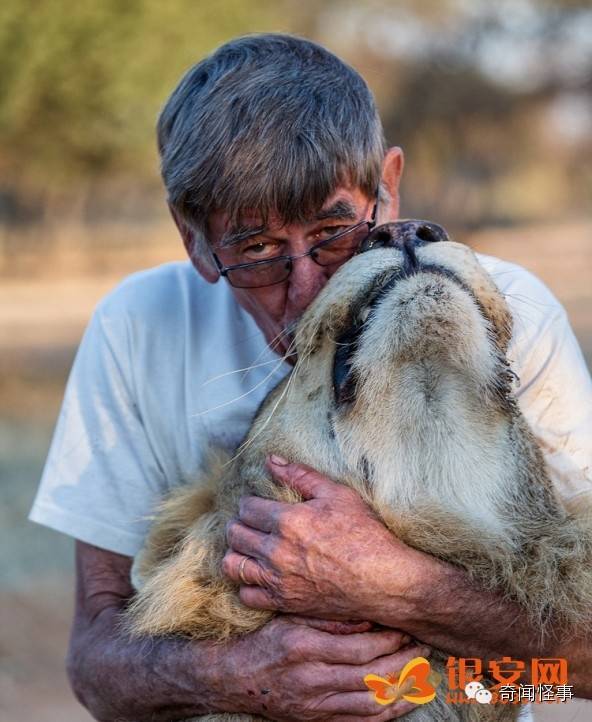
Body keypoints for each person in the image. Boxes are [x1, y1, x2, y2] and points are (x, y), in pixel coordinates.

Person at [30, 33, 592, 721]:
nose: (306, 290)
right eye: (258, 249)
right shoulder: (139, 324)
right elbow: (93, 671)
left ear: (387, 186)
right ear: (194, 238)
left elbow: (576, 677)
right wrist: (229, 676)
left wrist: (399, 593)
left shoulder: (502, 312)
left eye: (334, 233)